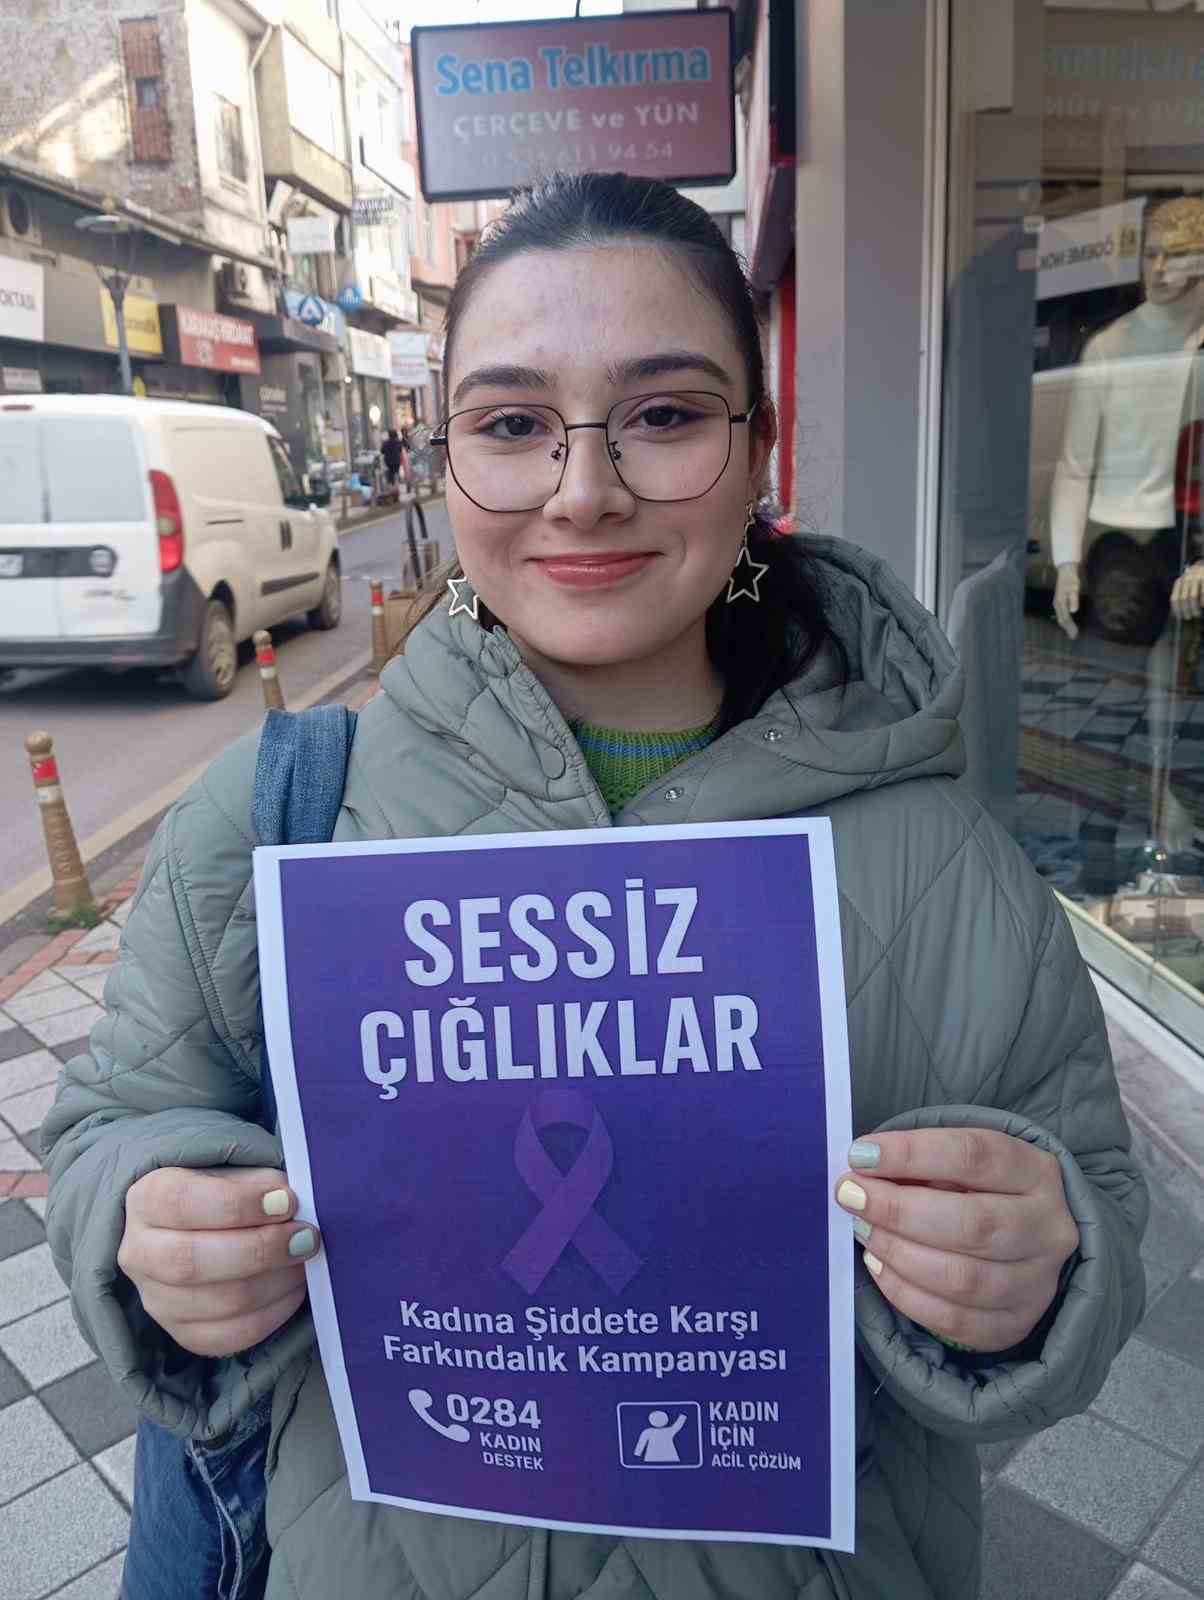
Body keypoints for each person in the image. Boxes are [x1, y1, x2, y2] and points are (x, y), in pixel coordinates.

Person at [43, 172, 1146, 1600]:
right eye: (511, 425)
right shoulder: (275, 821)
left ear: (759, 449)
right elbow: (112, 1122)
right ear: (443, 459)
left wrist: (1038, 1271)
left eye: (665, 414)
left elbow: (1094, 1212)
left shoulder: (946, 861)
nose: (583, 491)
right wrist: (146, 1221)